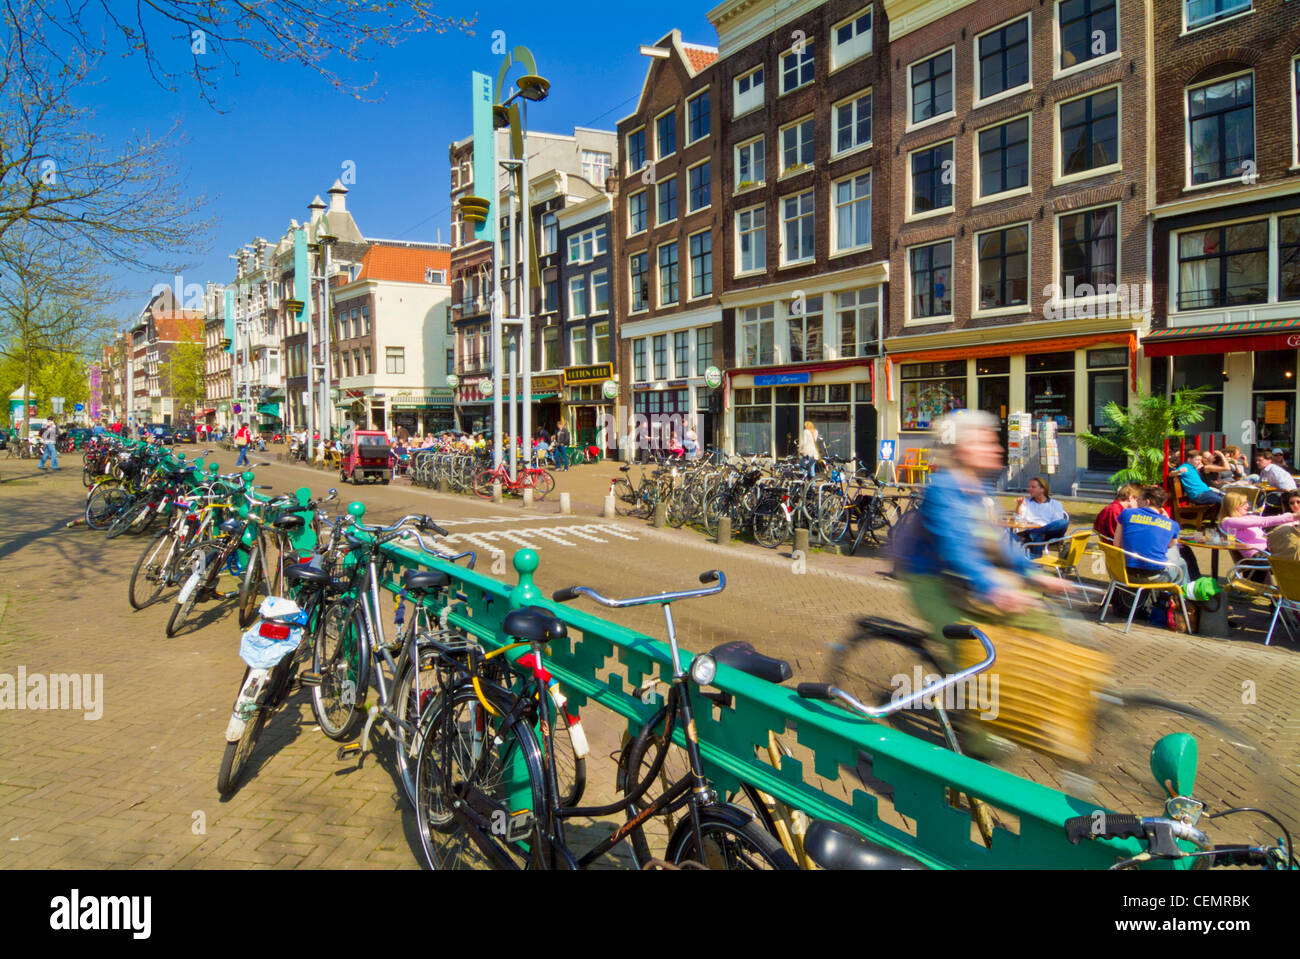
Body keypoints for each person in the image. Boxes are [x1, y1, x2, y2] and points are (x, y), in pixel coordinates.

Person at [897, 410, 1067, 674]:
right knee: (973, 651)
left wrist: (1033, 574)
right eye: (985, 442)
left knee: (1036, 620)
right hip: (931, 583)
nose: (996, 449)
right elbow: (955, 549)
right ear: (962, 449)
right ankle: (967, 706)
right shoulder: (944, 489)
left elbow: (999, 542)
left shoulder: (981, 490)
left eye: (994, 442)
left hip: (962, 581)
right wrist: (992, 588)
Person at [1114, 487, 1185, 584]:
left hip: (1125, 574)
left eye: (1139, 499)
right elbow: (1171, 545)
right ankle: (1181, 595)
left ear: (1146, 502)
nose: (1137, 501)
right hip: (1155, 577)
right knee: (1180, 559)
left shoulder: (1126, 513)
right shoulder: (1172, 524)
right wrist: (1167, 520)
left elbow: (1116, 545)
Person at [1217, 489, 1299, 559]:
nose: (1248, 505)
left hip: (1269, 550)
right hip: (1260, 555)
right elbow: (1265, 521)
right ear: (1234, 505)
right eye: (1244, 503)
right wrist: (1295, 516)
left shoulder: (1246, 517)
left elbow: (1264, 520)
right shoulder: (1229, 522)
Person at [1013, 476, 1070, 555]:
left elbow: (1057, 523)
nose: (1029, 489)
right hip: (1032, 532)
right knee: (1038, 536)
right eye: (1029, 487)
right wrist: (1019, 505)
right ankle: (1036, 562)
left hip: (1050, 534)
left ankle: (1035, 533)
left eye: (1033, 487)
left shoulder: (1055, 504)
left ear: (1042, 489)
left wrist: (1042, 529)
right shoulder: (1026, 502)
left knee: (1063, 522)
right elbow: (1017, 520)